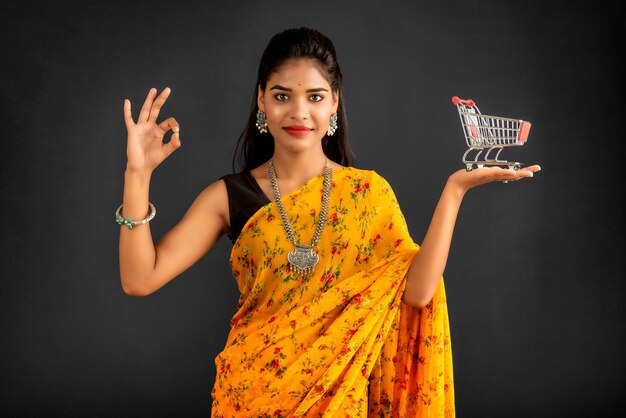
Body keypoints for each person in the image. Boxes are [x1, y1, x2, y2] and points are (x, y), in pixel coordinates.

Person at [118, 27, 540, 417]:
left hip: (339, 400)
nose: (299, 112)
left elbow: (416, 291)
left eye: (316, 97)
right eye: (283, 96)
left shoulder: (368, 194)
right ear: (262, 100)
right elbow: (140, 278)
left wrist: (454, 192)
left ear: (334, 102)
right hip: (250, 397)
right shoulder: (227, 197)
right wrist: (138, 175)